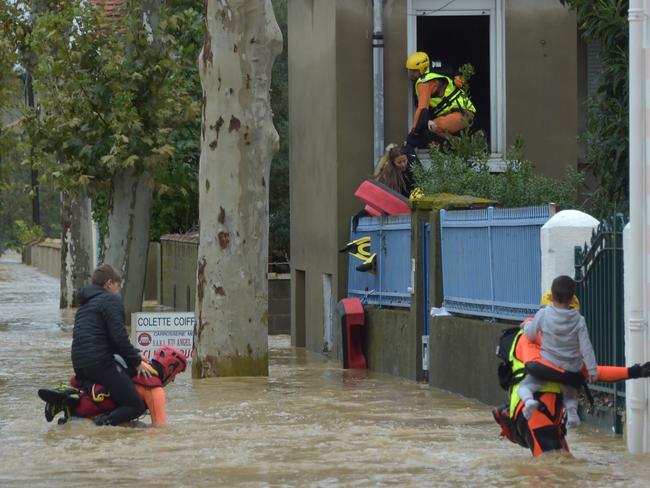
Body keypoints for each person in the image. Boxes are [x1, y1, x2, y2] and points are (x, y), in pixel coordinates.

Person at [70, 264, 152, 426]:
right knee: (136, 405)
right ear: (109, 283)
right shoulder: (110, 300)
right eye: (117, 285)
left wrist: (135, 353)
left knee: (112, 394)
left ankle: (78, 415)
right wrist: (136, 362)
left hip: (79, 364)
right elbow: (119, 338)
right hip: (100, 363)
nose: (118, 290)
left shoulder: (85, 305)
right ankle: (101, 424)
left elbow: (105, 339)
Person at [516, 275, 597, 428]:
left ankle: (529, 401)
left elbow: (531, 335)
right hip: (571, 369)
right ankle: (572, 413)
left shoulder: (543, 314)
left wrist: (527, 324)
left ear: (551, 297)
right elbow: (586, 347)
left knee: (525, 386)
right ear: (573, 298)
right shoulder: (579, 320)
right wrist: (592, 370)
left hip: (549, 365)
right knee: (569, 394)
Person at [39, 346, 188, 427]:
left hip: (85, 400)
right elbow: (159, 430)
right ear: (170, 370)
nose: (173, 380)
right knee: (139, 420)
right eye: (175, 375)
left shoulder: (133, 364)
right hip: (91, 422)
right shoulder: (156, 391)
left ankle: (69, 398)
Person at [404, 51, 476, 154]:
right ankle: (460, 145)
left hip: (462, 113)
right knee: (432, 136)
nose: (411, 74)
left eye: (414, 71)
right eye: (410, 70)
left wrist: (413, 134)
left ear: (422, 69)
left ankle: (459, 146)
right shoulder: (434, 74)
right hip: (453, 114)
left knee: (434, 125)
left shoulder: (424, 81)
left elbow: (422, 109)